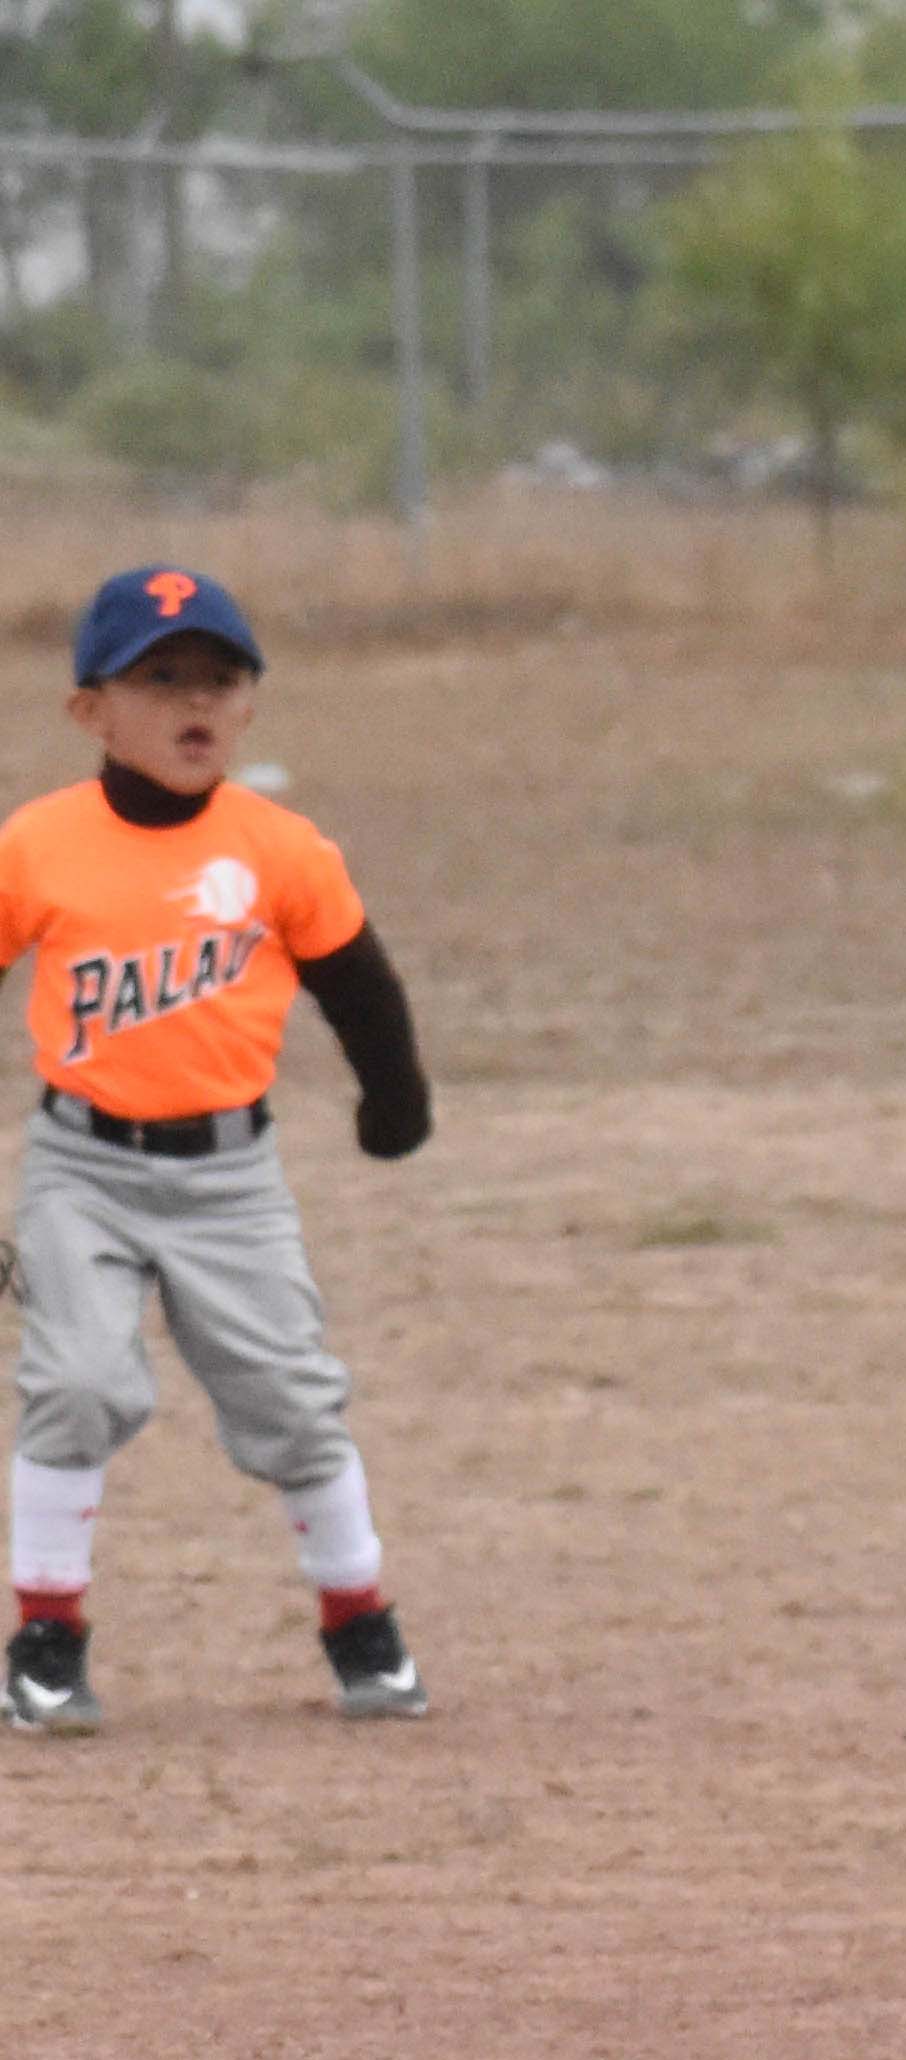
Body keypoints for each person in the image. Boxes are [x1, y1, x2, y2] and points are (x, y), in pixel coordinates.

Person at [1, 565, 440, 1737]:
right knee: (78, 1386)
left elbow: (360, 988)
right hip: (80, 1168)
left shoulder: (283, 850)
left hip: (229, 1179)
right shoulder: (39, 845)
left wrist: (393, 1100)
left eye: (220, 676)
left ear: (249, 705)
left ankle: (361, 1619)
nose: (196, 699)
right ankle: (45, 1638)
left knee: (293, 1403)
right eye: (159, 678)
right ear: (91, 710)